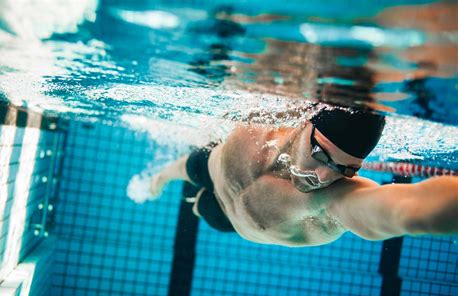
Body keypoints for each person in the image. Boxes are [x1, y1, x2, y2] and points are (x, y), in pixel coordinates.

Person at [150, 106, 458, 247]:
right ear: (305, 122)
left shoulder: (331, 202)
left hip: (228, 221)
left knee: (201, 207)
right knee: (188, 166)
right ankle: (161, 179)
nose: (324, 176)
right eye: (322, 155)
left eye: (345, 169)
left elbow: (405, 209)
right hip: (212, 167)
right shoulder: (264, 115)